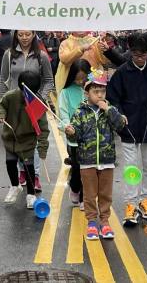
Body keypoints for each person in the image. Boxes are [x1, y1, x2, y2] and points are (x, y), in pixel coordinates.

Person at [107, 31, 147, 227]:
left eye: (143, 54)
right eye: (135, 54)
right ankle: (131, 204)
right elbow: (113, 98)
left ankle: (145, 200)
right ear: (130, 52)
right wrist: (120, 114)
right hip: (129, 129)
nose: (140, 58)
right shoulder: (122, 72)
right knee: (131, 168)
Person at [65, 70, 126, 241]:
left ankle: (105, 221)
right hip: (87, 161)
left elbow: (120, 125)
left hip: (107, 160)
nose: (99, 95)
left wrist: (108, 110)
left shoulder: (109, 109)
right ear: (87, 93)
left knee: (106, 193)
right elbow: (75, 134)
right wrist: (70, 132)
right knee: (90, 194)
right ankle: (92, 222)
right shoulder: (80, 112)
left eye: (102, 91)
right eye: (95, 91)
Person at [0, 29, 55, 192]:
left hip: (34, 104)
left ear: (33, 35)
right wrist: (2, 101)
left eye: (28, 34)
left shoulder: (42, 56)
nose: (24, 38)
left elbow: (48, 80)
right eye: (20, 34)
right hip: (14, 104)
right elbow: (3, 80)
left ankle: (34, 175)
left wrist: (40, 99)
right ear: (16, 35)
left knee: (33, 140)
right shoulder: (8, 55)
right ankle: (22, 171)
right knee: (16, 138)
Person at [0, 70, 49, 210]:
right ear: (20, 85)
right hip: (10, 138)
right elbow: (0, 105)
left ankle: (31, 195)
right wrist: (1, 114)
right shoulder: (10, 96)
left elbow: (43, 128)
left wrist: (43, 147)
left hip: (27, 141)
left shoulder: (37, 104)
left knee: (28, 166)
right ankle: (15, 186)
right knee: (10, 162)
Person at [58, 59, 90, 208]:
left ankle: (84, 198)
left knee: (88, 169)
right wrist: (66, 125)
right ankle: (74, 186)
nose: (80, 81)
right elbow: (63, 113)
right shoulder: (65, 93)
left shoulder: (91, 90)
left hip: (90, 136)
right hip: (74, 137)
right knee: (77, 168)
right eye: (77, 78)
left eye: (83, 78)